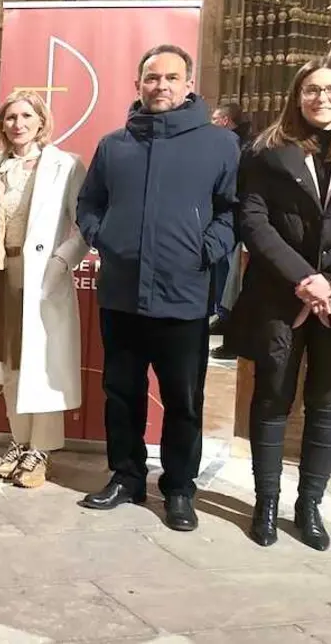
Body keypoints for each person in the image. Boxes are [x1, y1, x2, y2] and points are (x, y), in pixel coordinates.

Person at [75, 44, 239, 531]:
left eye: (171, 78)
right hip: (122, 294)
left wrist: (205, 250)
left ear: (189, 84)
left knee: (183, 400)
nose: (160, 86)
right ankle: (126, 477)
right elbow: (89, 204)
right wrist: (105, 237)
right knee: (120, 392)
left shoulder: (219, 145)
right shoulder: (114, 145)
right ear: (138, 85)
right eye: (151, 78)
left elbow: (232, 211)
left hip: (183, 295)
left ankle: (179, 489)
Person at [233, 55, 331, 551]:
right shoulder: (266, 151)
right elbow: (254, 222)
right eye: (311, 90)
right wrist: (305, 279)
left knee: (327, 401)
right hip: (282, 294)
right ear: (296, 96)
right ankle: (267, 503)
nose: (321, 99)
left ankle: (310, 505)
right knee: (272, 397)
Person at [0, 91, 89, 488]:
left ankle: (40, 450)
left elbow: (87, 224)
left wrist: (60, 263)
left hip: (43, 276)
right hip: (1, 273)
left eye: (26, 116)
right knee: (8, 364)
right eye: (10, 117)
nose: (18, 124)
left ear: (41, 122)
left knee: (40, 365)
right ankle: (19, 441)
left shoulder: (65, 165)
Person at [209, 102, 254, 358]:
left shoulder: (235, 145)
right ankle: (223, 316)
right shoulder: (235, 143)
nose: (212, 122)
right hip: (229, 218)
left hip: (237, 220)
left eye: (215, 118)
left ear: (226, 121)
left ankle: (230, 326)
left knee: (232, 278)